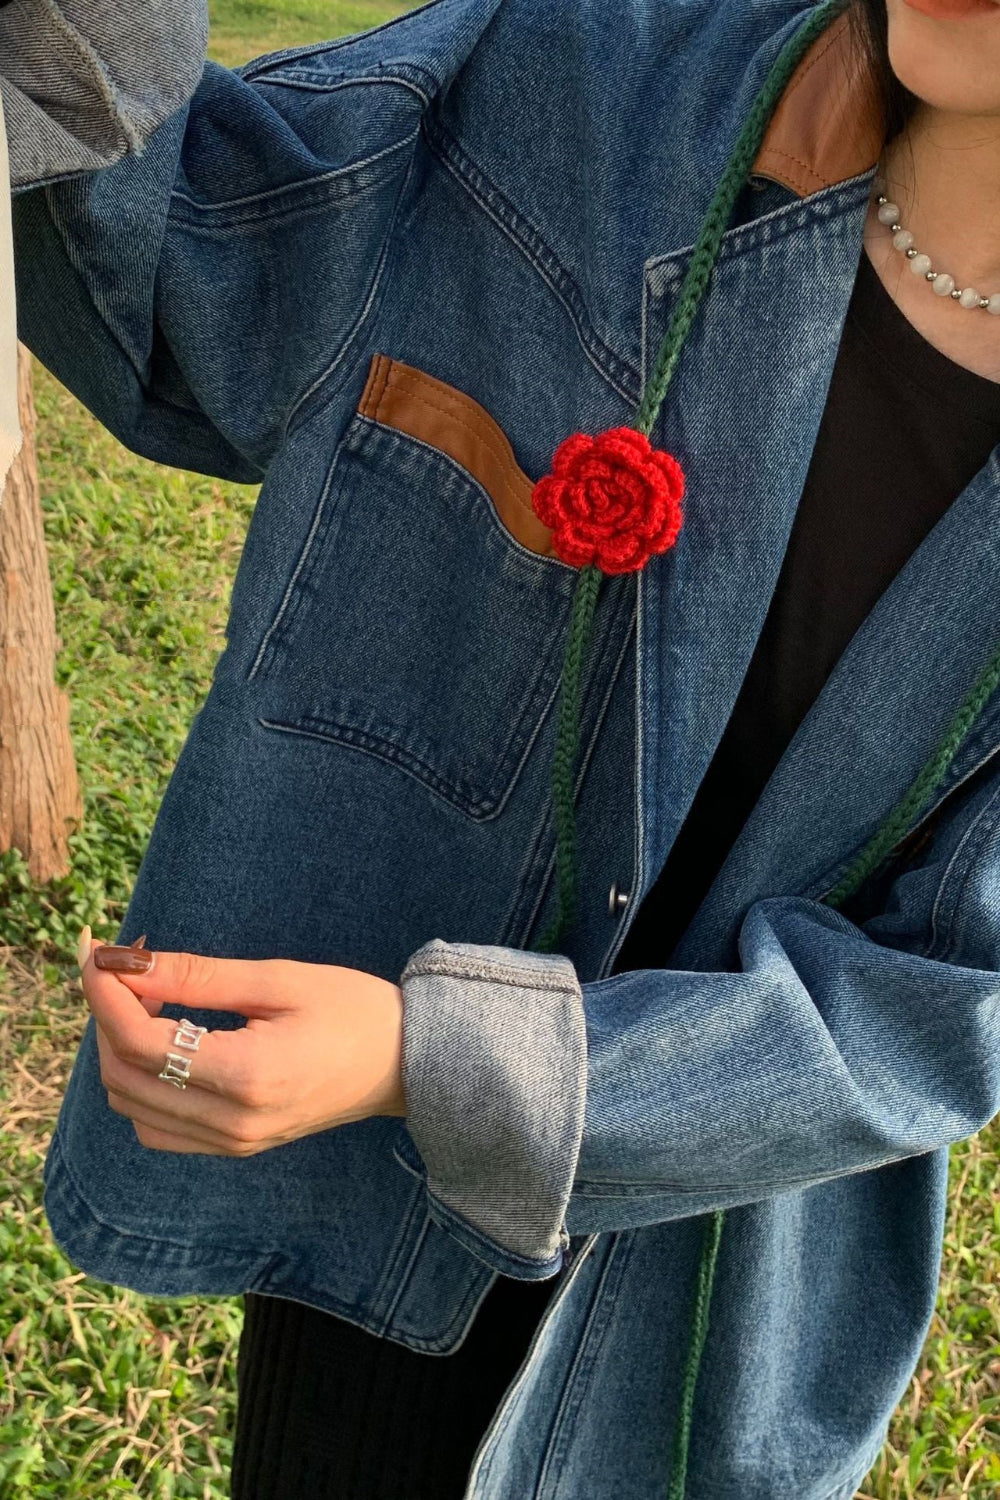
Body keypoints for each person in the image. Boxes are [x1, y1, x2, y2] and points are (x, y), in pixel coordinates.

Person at [7, 0, 1000, 1495]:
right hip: (363, 1227)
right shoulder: (593, 70)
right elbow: (178, 271)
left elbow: (947, 1003)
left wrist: (438, 1056)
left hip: (708, 1311)